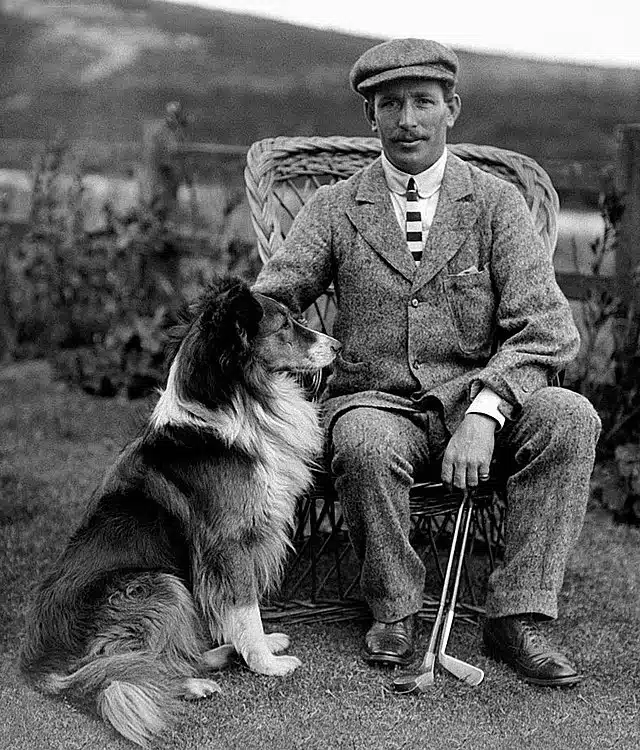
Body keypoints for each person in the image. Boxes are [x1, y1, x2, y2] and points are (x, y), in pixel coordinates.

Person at [252, 39, 601, 687]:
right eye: (390, 104)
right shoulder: (336, 208)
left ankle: (518, 614)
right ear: (371, 118)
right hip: (376, 401)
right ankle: (393, 608)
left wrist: (489, 411)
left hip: (481, 397)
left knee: (570, 417)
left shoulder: (497, 204)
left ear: (452, 109)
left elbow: (549, 328)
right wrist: (233, 354)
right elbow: (270, 302)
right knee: (359, 440)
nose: (407, 119)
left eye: (423, 102)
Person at [144, 101, 192, 221]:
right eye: (173, 114)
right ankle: (157, 219)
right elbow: (159, 149)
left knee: (171, 196)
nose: (175, 117)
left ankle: (166, 220)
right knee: (160, 195)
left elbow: (182, 150)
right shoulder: (162, 130)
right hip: (164, 168)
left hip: (174, 168)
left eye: (176, 114)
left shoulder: (179, 130)